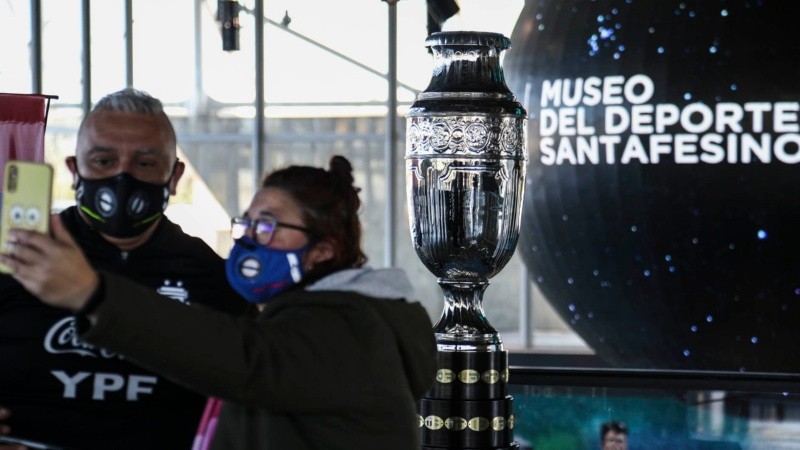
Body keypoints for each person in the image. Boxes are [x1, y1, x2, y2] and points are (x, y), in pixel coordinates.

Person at [2, 155, 438, 450]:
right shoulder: (297, 318)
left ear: (323, 250)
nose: (249, 239)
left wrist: (92, 293)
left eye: (267, 227)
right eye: (247, 223)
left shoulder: (350, 329)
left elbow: (245, 360)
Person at [0, 88, 247, 450]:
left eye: (145, 163)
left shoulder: (214, 279)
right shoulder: (17, 257)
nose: (122, 176)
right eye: (103, 160)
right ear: (74, 170)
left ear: (174, 176)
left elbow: (249, 390)